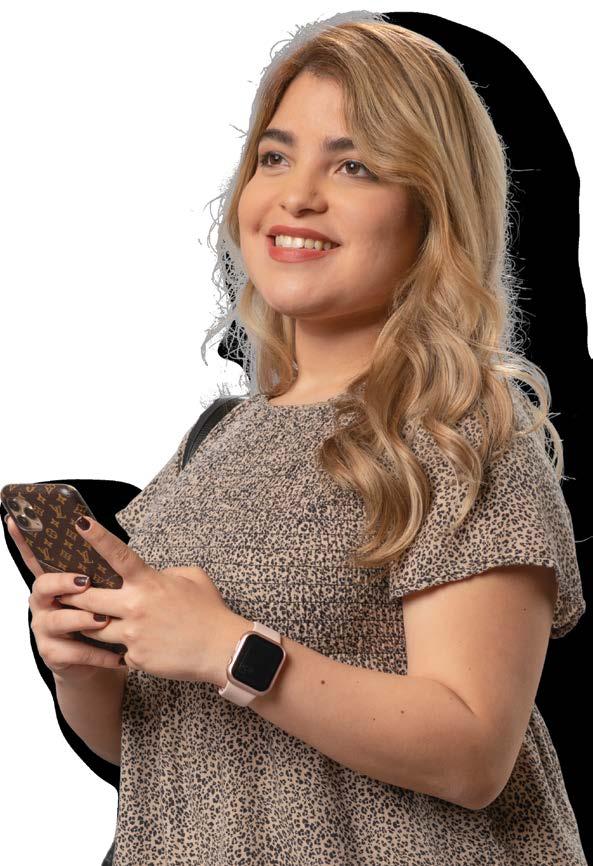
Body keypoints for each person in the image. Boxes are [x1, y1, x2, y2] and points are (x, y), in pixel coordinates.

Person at [8, 11, 587, 865]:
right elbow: (158, 757)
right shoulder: (216, 442)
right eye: (275, 157)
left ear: (432, 210)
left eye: (353, 164)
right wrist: (83, 670)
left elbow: (472, 755)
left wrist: (226, 649)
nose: (296, 195)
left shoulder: (458, 430)